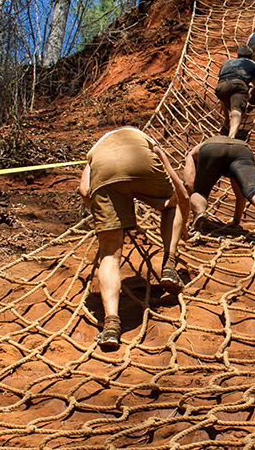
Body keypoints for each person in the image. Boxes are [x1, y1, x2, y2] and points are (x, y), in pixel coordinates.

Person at [77, 126, 191, 346]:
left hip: (103, 173)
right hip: (142, 162)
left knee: (109, 254)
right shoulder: (140, 135)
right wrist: (180, 205)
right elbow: (173, 177)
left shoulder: (96, 148)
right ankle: (169, 264)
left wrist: (111, 219)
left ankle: (111, 323)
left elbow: (84, 190)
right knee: (170, 205)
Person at [184, 134, 255, 251]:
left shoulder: (197, 149)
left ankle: (200, 214)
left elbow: (189, 183)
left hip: (212, 149)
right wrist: (236, 220)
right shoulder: (235, 142)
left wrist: (193, 195)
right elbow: (240, 196)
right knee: (253, 191)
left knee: (200, 192)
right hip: (242, 150)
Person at [215, 46, 255, 137]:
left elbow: (221, 80)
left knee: (223, 97)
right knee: (236, 110)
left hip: (220, 86)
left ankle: (226, 120)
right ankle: (231, 137)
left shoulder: (226, 63)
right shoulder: (253, 64)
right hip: (238, 85)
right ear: (251, 56)